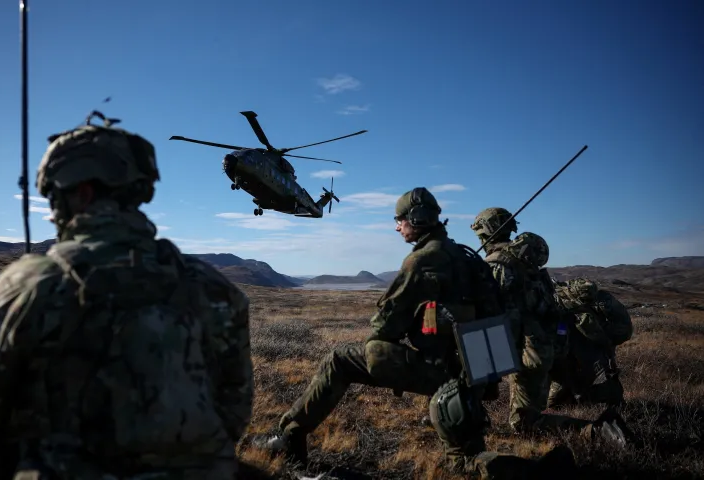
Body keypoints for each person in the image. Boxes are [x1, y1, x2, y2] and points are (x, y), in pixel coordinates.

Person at [0, 112, 254, 480]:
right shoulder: (215, 287)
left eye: (53, 197)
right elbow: (233, 413)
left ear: (83, 193)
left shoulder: (32, 283)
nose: (52, 212)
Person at [257, 188, 574, 478]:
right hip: (477, 374)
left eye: (398, 220)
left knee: (339, 360)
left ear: (415, 220)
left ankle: (288, 437)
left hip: (446, 373)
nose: (397, 227)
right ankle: (539, 471)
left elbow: (385, 327)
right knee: (463, 458)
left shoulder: (423, 260)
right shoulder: (468, 259)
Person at [470, 222, 631, 446]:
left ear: (483, 234)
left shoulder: (497, 266)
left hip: (528, 352)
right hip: (549, 347)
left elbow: (489, 311)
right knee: (553, 399)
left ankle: (597, 430)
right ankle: (587, 398)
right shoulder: (531, 269)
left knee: (524, 423)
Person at [547, 277, 633, 408]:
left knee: (603, 396)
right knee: (557, 401)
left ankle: (586, 398)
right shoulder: (567, 313)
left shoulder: (564, 309)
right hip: (582, 360)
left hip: (589, 360)